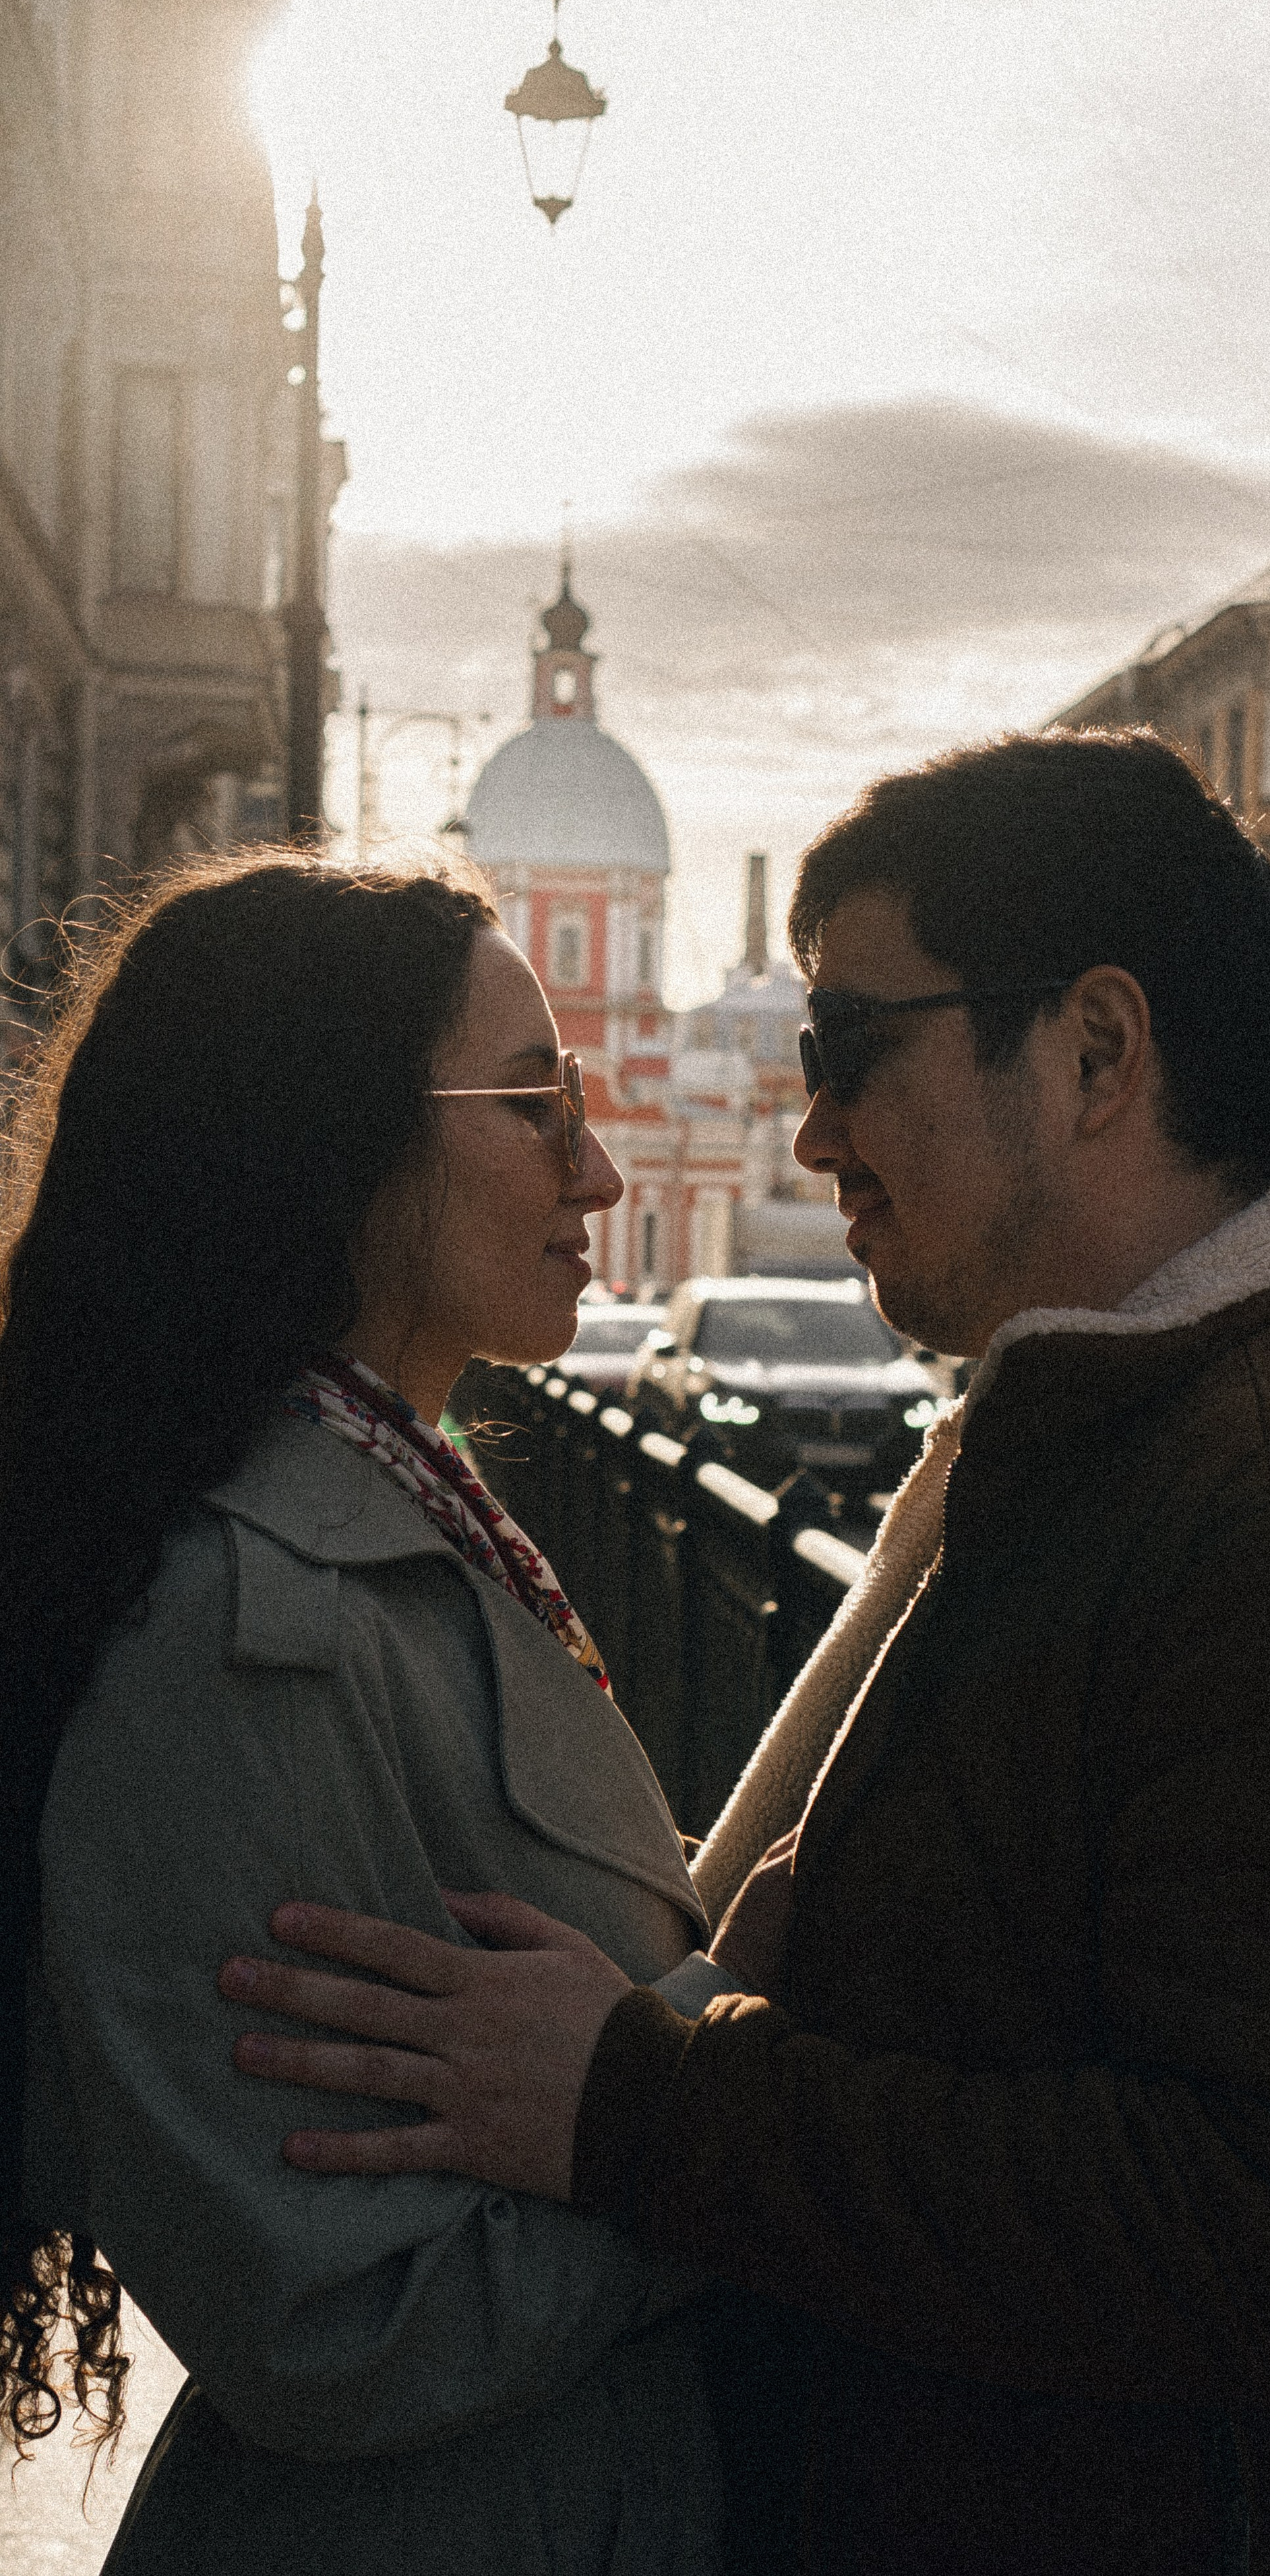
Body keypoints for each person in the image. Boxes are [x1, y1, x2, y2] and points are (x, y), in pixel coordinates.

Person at [225, 734, 1270, 2576]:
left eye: (851, 1048)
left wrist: (642, 2102)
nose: (810, 1133)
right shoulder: (1126, 1447)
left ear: (1096, 1053)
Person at [3, 848, 733, 2574]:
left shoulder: (383, 1522)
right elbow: (338, 2318)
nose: (599, 1169)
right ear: (342, 1142)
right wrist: (716, 2112)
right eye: (534, 1107)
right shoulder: (241, 1625)